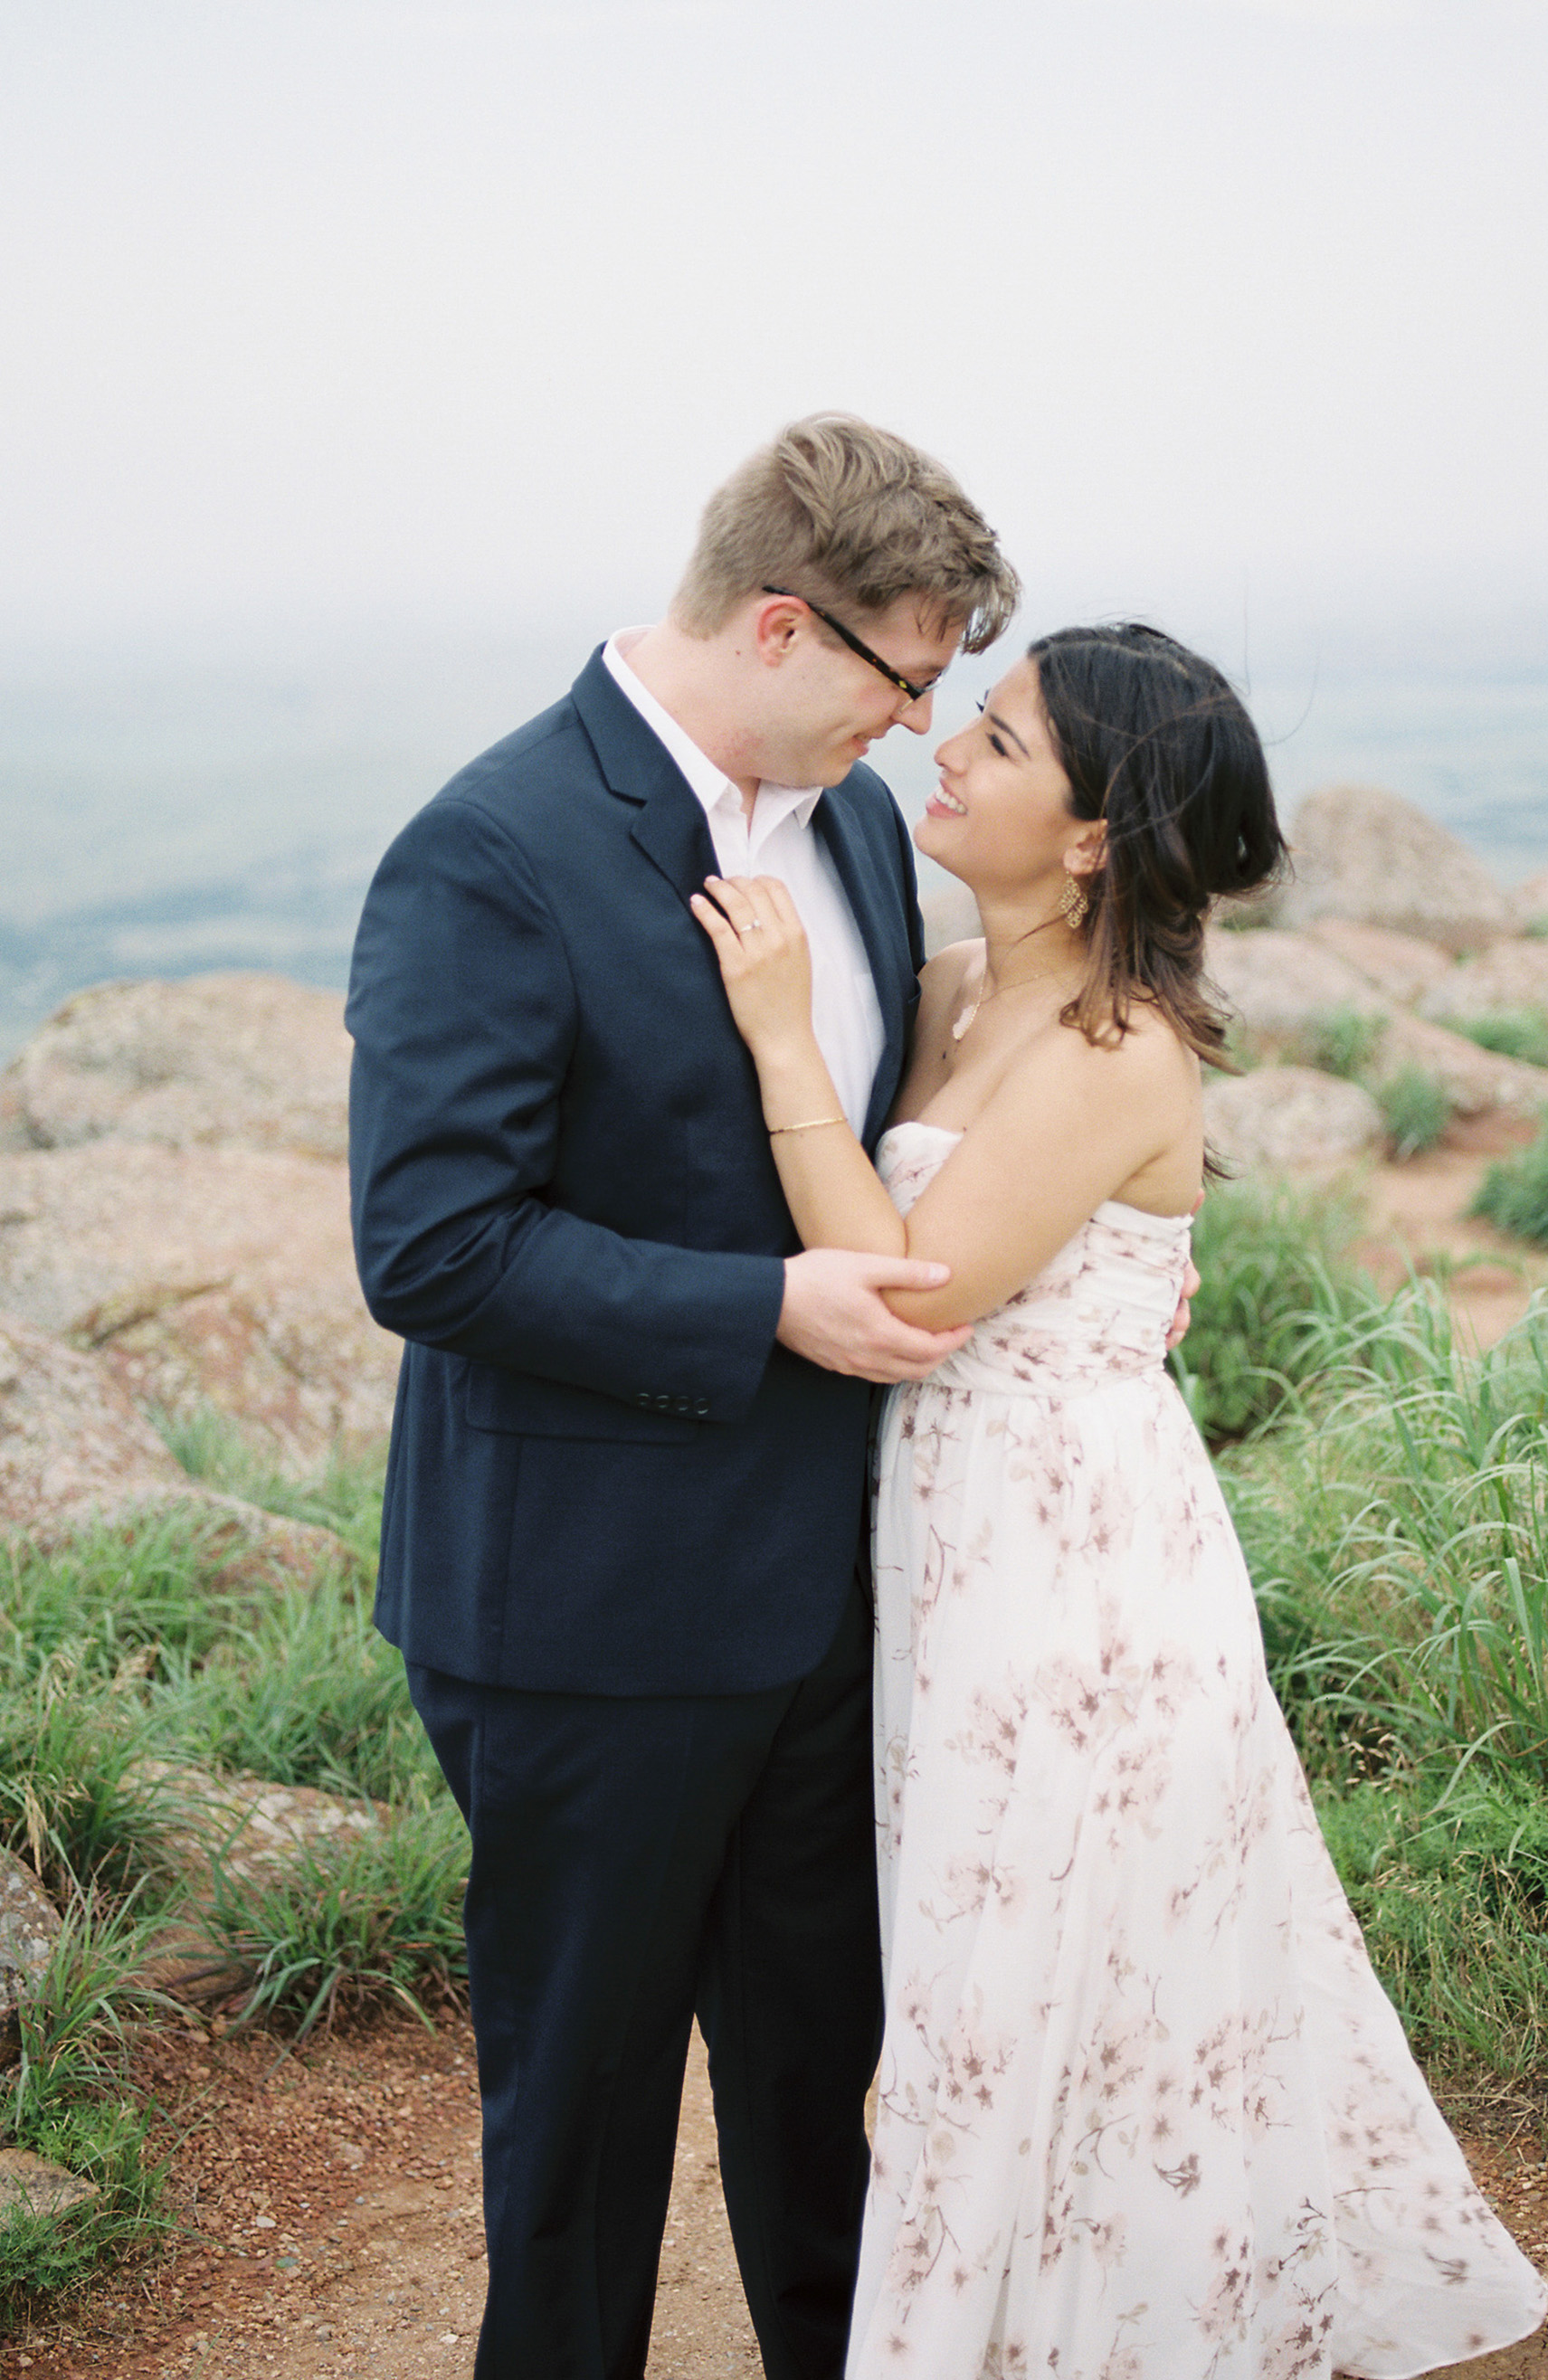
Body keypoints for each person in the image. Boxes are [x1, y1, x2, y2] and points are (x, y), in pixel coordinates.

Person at [692, 621, 1548, 2378]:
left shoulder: (1114, 1046)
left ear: (1090, 837)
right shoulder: (949, 988)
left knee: (1022, 1967)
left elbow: (913, 1304)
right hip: (948, 1541)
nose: (945, 747)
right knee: (988, 1954)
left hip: (1069, 1565)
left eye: (997, 742)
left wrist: (780, 1045)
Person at [344, 414, 1023, 2380]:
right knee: (583, 2124)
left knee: (825, 2094)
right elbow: (433, 1247)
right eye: (906, 677)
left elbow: (890, 1135)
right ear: (787, 626)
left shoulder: (867, 831)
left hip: (829, 1603)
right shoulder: (491, 847)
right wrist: (767, 1308)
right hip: (583, 1617)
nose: (917, 728)